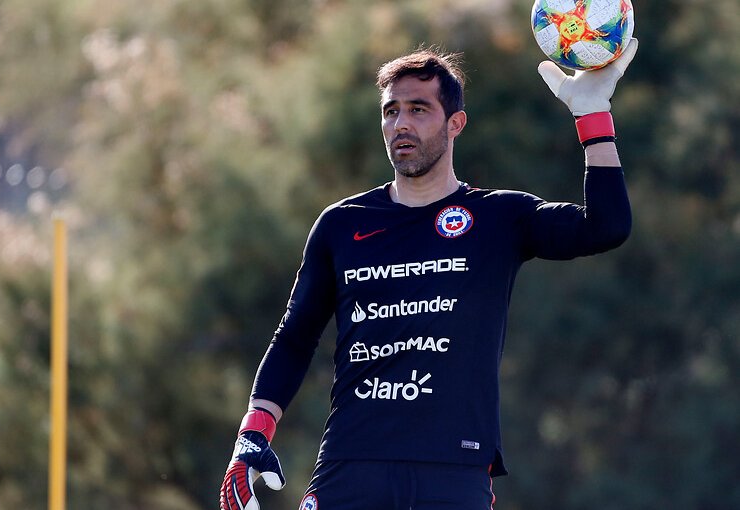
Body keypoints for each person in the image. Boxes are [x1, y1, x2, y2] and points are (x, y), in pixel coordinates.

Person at [220, 38, 639, 510]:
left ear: (455, 123)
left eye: (419, 109)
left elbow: (606, 227)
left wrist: (592, 116)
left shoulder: (499, 218)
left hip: (453, 472)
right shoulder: (341, 224)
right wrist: (253, 435)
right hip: (352, 466)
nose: (401, 124)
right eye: (391, 111)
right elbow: (294, 338)